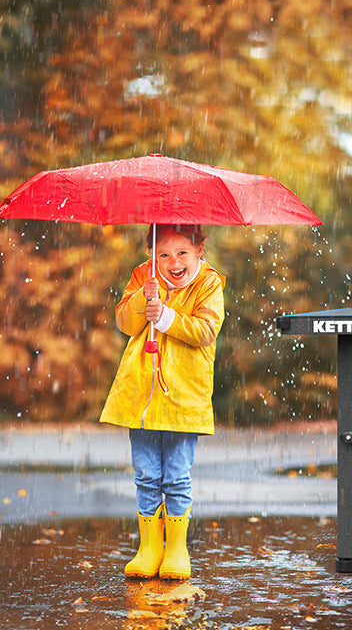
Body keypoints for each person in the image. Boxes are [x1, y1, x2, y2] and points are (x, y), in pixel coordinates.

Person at [99, 224, 225, 580]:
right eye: (163, 254)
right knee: (146, 474)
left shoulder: (210, 284)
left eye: (182, 252)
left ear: (199, 249)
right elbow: (125, 322)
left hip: (182, 396)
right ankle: (149, 547)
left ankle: (176, 547)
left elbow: (205, 332)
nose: (173, 262)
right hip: (142, 393)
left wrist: (166, 317)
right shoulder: (144, 275)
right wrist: (143, 298)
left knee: (176, 476)